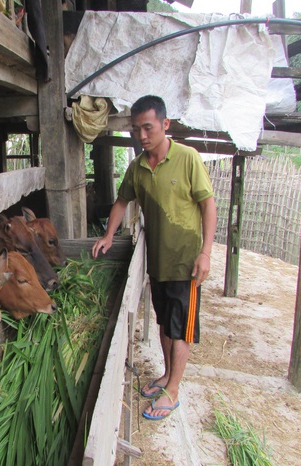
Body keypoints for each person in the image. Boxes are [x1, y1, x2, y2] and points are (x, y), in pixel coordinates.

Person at [92, 95, 217, 421]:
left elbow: (208, 205)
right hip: (158, 264)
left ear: (165, 124)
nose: (142, 136)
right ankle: (165, 376)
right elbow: (121, 202)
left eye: (148, 128)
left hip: (186, 263)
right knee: (164, 323)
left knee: (182, 330)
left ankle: (173, 391)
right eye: (136, 130)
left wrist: (206, 253)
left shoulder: (187, 158)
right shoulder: (138, 168)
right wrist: (108, 235)